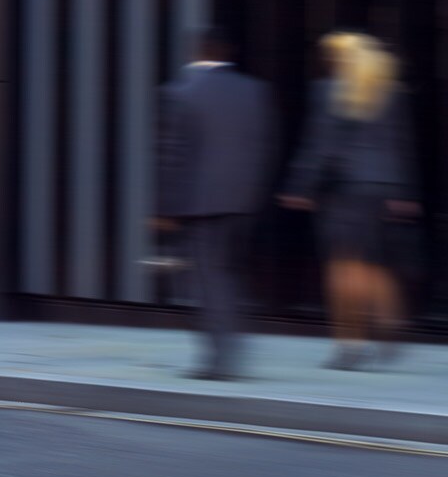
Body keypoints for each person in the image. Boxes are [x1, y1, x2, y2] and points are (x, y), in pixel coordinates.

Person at [279, 31, 421, 370]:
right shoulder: (389, 91)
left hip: (342, 188)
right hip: (380, 187)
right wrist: (404, 192)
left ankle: (350, 345)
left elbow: (319, 145)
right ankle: (389, 321)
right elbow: (401, 145)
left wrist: (300, 186)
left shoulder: (328, 90)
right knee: (372, 264)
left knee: (342, 268)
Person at [153, 29, 277, 380]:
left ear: (197, 53)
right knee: (231, 276)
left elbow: (171, 156)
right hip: (242, 202)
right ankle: (232, 345)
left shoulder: (181, 93)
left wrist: (164, 207)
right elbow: (264, 147)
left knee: (208, 282)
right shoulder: (254, 91)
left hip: (199, 203)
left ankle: (218, 360)